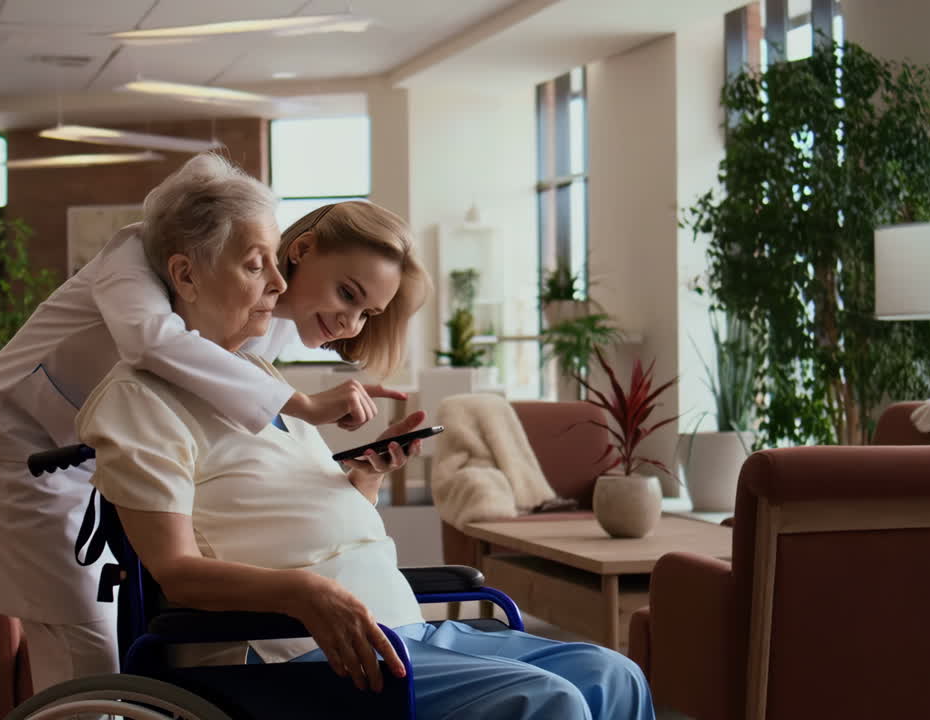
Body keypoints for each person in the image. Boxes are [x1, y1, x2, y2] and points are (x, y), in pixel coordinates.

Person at [75, 194, 655, 719]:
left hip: (399, 624)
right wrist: (305, 593)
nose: (278, 282)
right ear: (187, 276)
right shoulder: (139, 402)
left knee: (615, 674)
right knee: (549, 703)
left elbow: (307, 522)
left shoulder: (257, 377)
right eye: (257, 267)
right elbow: (176, 571)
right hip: (295, 652)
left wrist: (363, 481)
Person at [0, 153, 421, 695]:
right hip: (27, 445)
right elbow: (150, 341)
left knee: (112, 637)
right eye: (347, 296)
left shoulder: (265, 317)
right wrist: (304, 405)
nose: (350, 324)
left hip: (108, 448)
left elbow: (234, 454)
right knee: (81, 635)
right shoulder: (137, 253)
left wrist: (357, 470)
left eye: (367, 314)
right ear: (301, 249)